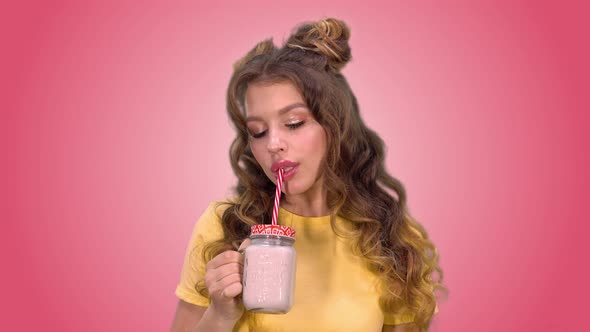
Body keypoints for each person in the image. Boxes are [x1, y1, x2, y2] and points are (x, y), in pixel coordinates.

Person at [171, 17, 444, 332]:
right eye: (258, 132)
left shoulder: (389, 233)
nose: (273, 144)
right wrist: (220, 315)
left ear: (335, 127)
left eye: (294, 123)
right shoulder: (222, 226)